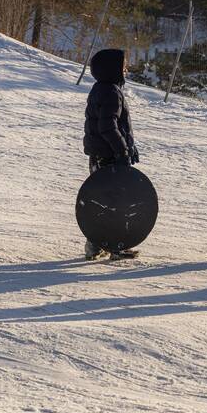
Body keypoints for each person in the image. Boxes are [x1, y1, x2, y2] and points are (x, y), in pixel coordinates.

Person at [82, 48, 139, 260]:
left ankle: (95, 245)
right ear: (113, 69)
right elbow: (108, 126)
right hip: (109, 155)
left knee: (101, 199)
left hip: (99, 153)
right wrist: (122, 150)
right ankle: (115, 244)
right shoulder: (111, 92)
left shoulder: (100, 89)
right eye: (123, 66)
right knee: (116, 200)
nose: (126, 70)